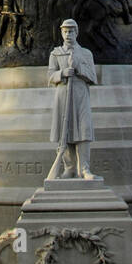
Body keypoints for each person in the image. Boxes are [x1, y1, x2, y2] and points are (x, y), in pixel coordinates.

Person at [47, 19, 98, 179]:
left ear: (77, 32)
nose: (68, 34)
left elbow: (93, 77)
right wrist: (62, 74)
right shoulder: (56, 53)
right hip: (63, 94)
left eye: (71, 31)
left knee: (83, 130)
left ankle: (84, 169)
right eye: (65, 31)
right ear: (61, 33)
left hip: (80, 93)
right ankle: (69, 168)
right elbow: (49, 76)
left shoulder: (86, 54)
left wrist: (78, 68)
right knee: (65, 131)